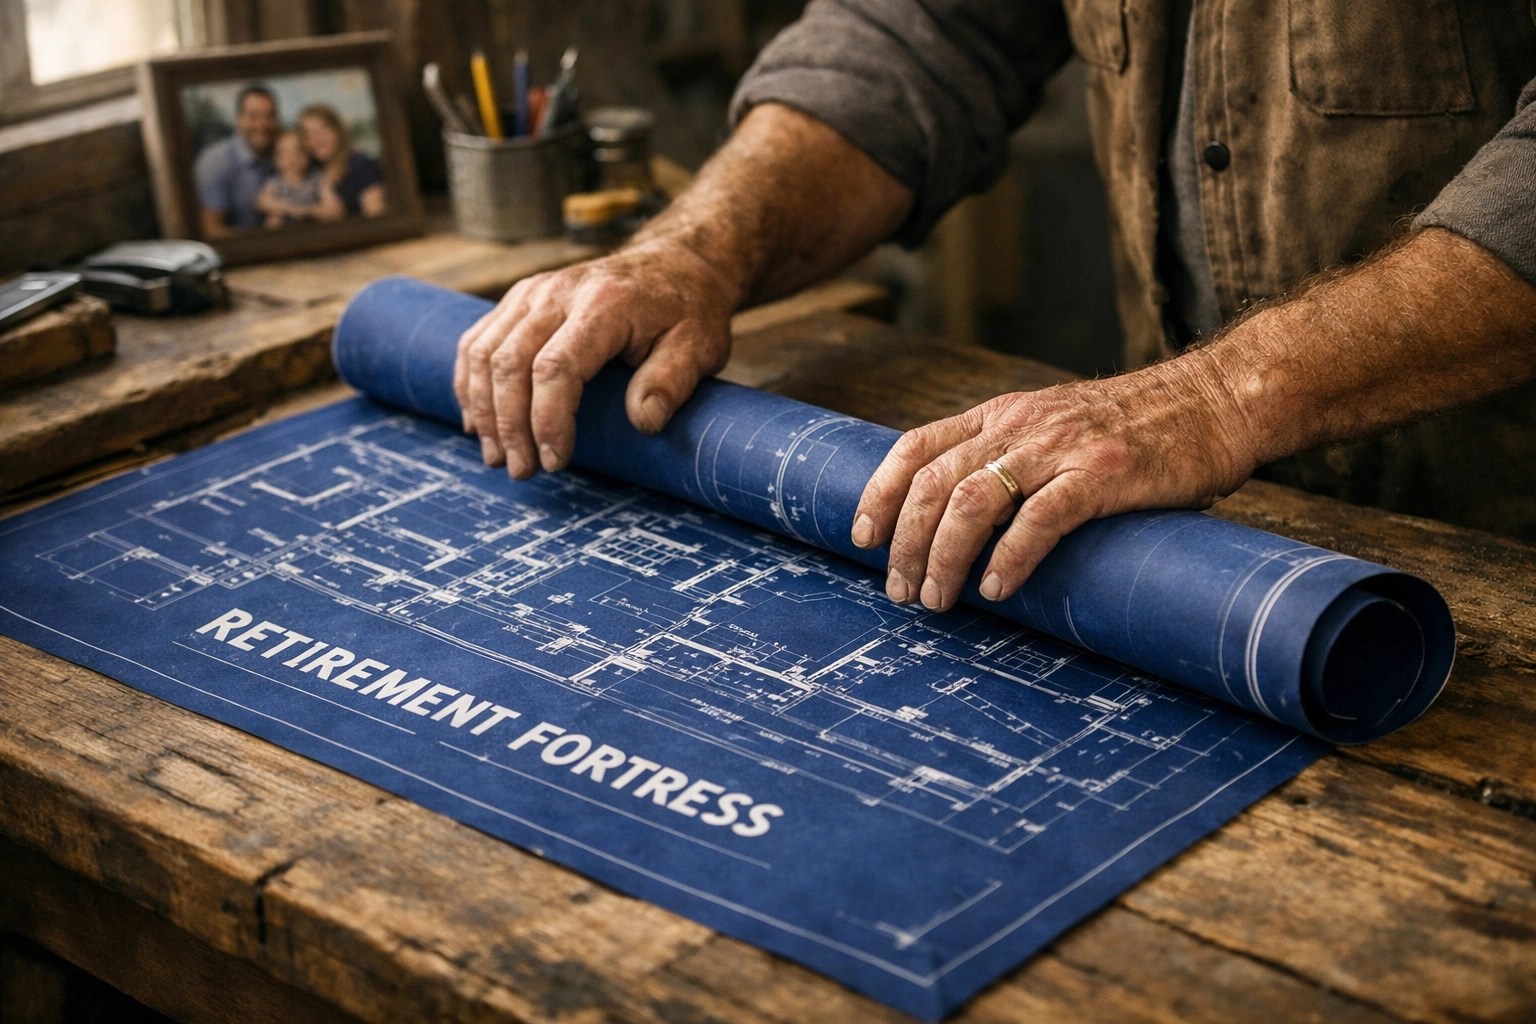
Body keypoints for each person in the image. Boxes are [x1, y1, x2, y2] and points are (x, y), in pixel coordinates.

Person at [454, 2, 1536, 616]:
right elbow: (924, 30)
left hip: (1502, 542)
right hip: (1186, 532)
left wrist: (1222, 394)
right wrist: (695, 251)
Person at [193, 84, 279, 237]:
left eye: (269, 116)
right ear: (238, 120)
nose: (262, 124)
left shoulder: (283, 154)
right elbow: (210, 230)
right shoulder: (216, 160)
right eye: (253, 117)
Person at [298, 104, 387, 218]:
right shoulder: (313, 170)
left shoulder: (360, 164)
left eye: (323, 131)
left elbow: (377, 216)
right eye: (309, 134)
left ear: (338, 131)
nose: (317, 140)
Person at [255, 129, 344, 227]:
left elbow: (336, 210)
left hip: (313, 231)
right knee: (273, 219)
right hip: (284, 234)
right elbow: (261, 202)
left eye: (298, 152)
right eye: (285, 154)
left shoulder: (316, 180)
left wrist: (308, 210)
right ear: (276, 160)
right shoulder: (275, 183)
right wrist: (289, 208)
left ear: (308, 156)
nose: (293, 158)